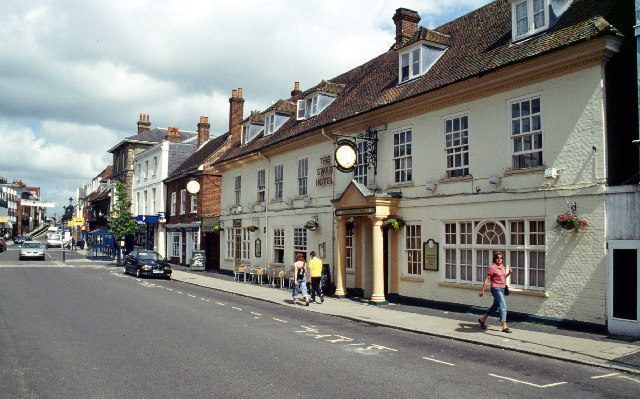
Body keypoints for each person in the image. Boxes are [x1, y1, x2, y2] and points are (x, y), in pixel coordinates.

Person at [478, 251, 512, 333]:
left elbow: (503, 277)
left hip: (502, 288)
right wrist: (482, 290)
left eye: (501, 258)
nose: (499, 259)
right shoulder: (493, 267)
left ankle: (482, 319)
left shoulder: (502, 267)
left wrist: (509, 273)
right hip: (495, 289)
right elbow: (487, 279)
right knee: (503, 305)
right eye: (498, 258)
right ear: (495, 259)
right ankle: (504, 326)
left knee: (495, 306)